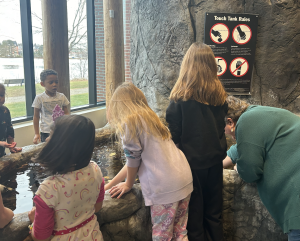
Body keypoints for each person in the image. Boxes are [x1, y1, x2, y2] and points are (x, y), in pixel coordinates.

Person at [105, 82, 193, 241]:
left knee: (162, 236)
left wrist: (128, 184)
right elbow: (131, 162)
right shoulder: (152, 119)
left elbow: (132, 160)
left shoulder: (129, 123)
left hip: (165, 187)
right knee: (180, 233)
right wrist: (109, 185)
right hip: (184, 179)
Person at [166, 43, 228, 241]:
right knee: (214, 214)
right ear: (211, 66)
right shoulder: (220, 97)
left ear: (187, 65)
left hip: (191, 165)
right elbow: (220, 129)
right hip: (215, 163)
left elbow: (174, 136)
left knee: (194, 216)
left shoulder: (178, 100)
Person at [224, 96, 300, 241]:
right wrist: (216, 163)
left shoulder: (247, 121)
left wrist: (240, 167)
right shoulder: (260, 114)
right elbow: (242, 147)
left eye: (231, 133)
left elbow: (250, 172)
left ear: (230, 121)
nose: (233, 138)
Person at [27, 115, 105, 241]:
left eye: (51, 136)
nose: (47, 139)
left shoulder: (49, 188)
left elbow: (40, 237)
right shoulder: (96, 170)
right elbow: (97, 206)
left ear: (61, 146)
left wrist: (34, 222)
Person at [32, 69, 70, 144]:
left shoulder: (62, 96)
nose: (54, 84)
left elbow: (66, 113)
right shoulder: (39, 98)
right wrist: (36, 133)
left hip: (60, 129)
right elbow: (36, 116)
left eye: (56, 82)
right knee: (48, 150)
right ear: (43, 84)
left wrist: (68, 125)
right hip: (46, 131)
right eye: (51, 82)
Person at [0, 83, 22, 158]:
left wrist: (11, 145)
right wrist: (1, 143)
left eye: (1, 95)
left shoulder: (5, 111)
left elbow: (9, 130)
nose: (0, 98)